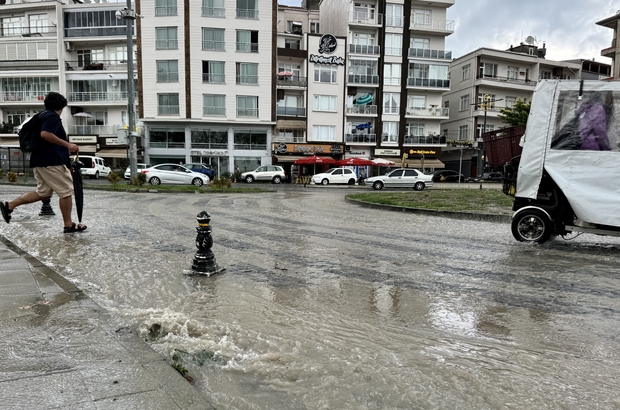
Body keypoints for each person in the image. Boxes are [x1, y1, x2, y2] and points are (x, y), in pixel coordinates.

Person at [0, 92, 86, 233]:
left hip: (39, 161)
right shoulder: (52, 117)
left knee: (43, 193)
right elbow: (45, 134)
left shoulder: (41, 115)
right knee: (66, 192)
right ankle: (68, 225)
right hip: (51, 161)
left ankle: (9, 205)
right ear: (62, 106)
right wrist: (67, 145)